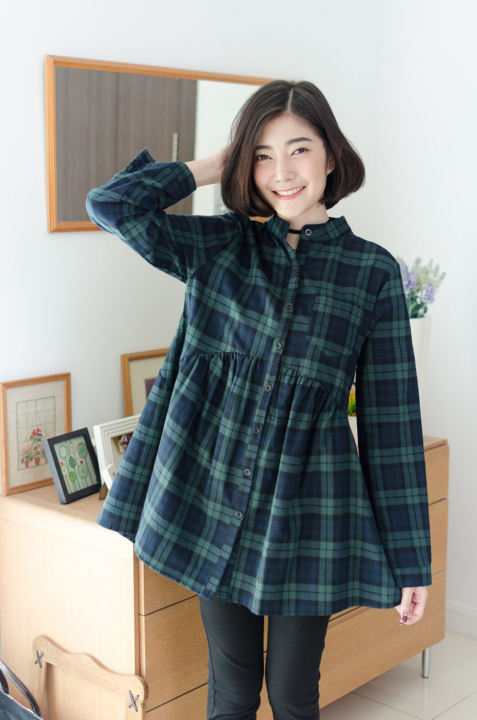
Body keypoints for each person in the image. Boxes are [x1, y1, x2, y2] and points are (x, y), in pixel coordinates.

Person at [87, 79, 432, 720]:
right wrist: (217, 164)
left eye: (299, 149)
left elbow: (392, 426)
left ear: (331, 154)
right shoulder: (221, 245)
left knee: (295, 696)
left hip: (309, 513)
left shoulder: (373, 273)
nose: (283, 172)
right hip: (214, 499)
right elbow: (111, 205)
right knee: (234, 692)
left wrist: (412, 561)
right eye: (263, 155)